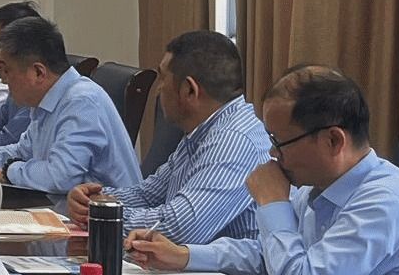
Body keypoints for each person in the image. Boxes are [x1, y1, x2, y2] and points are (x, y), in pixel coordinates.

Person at [128, 66, 399, 275]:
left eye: (280, 141)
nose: (273, 153)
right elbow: (269, 255)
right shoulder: (319, 187)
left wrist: (273, 203)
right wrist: (184, 256)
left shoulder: (383, 201)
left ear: (333, 140)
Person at [74, 30, 270, 245]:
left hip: (229, 267)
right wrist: (94, 200)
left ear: (189, 90)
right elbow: (148, 195)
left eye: (163, 78)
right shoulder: (203, 131)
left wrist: (101, 214)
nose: (159, 90)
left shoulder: (234, 140)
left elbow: (181, 229)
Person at [0, 15, 140, 197]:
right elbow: (22, 151)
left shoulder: (82, 102)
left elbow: (61, 176)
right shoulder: (46, 101)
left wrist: (9, 171)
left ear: (38, 72)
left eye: (7, 70)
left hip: (109, 212)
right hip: (63, 207)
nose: (3, 80)